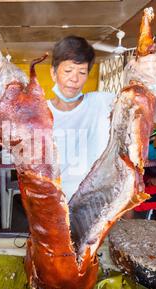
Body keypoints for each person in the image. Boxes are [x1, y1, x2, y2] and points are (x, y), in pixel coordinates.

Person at [47, 36, 116, 199]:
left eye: (82, 72)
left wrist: (149, 72)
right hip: (55, 203)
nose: (74, 79)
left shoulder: (103, 102)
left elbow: (151, 108)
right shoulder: (39, 112)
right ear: (53, 73)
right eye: (68, 71)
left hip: (97, 202)